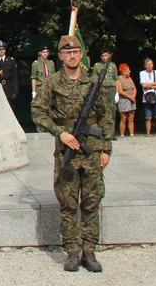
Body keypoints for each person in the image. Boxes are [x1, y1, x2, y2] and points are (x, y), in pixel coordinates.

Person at [31, 35, 113, 273]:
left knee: (91, 202)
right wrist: (60, 133)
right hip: (67, 151)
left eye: (76, 51)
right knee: (68, 204)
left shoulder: (93, 83)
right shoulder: (53, 83)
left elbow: (107, 118)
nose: (73, 55)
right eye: (68, 53)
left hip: (92, 152)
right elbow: (38, 112)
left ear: (81, 54)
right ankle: (72, 252)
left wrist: (106, 149)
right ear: (61, 57)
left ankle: (89, 251)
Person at [138, 58, 156, 135]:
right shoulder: (142, 73)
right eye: (148, 64)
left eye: (151, 64)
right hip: (147, 97)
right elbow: (143, 85)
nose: (149, 66)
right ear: (145, 66)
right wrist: (154, 84)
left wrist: (151, 86)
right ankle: (148, 134)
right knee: (148, 117)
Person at [116, 64, 136, 137]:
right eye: (128, 70)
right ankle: (122, 134)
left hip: (132, 99)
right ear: (123, 71)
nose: (129, 71)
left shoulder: (130, 78)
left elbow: (134, 88)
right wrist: (129, 97)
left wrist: (133, 95)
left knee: (131, 117)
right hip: (123, 100)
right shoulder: (119, 79)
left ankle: (131, 133)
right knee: (123, 118)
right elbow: (120, 90)